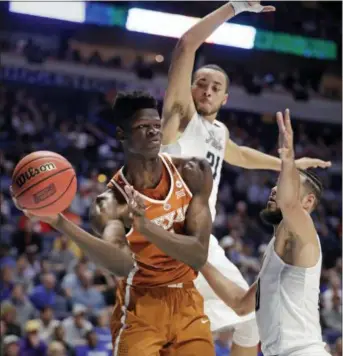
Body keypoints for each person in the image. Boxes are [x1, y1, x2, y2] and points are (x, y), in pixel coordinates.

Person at [161, 2, 331, 355]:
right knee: (167, 329)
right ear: (189, 89)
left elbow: (239, 154)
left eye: (215, 87)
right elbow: (186, 44)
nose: (206, 91)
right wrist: (234, 7)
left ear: (226, 98)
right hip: (167, 233)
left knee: (252, 317)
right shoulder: (179, 118)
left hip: (201, 239)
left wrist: (288, 163)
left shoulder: (218, 132)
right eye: (200, 84)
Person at [11, 91, 215, 356]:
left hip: (188, 302)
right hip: (141, 306)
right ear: (121, 134)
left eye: (156, 126)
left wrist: (146, 228)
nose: (154, 133)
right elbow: (121, 264)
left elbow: (198, 256)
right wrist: (59, 221)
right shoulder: (109, 202)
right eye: (143, 127)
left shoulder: (193, 172)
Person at [201, 109, 331, 356]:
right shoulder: (274, 249)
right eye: (277, 182)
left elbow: (288, 203)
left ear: (308, 202)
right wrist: (198, 259)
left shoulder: (306, 236)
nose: (274, 188)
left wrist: (287, 157)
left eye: (286, 183)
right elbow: (240, 305)